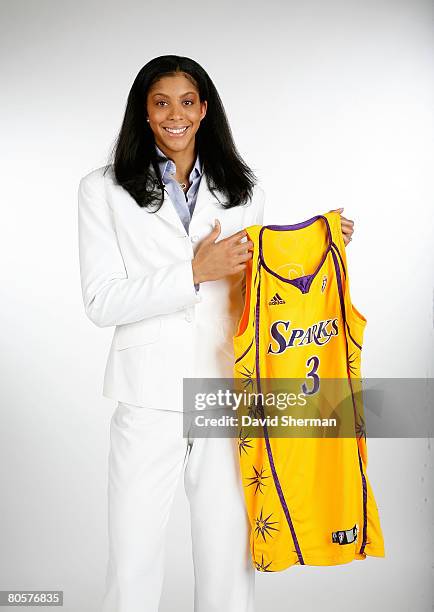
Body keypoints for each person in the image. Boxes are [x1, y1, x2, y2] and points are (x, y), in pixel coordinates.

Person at [77, 55, 354, 612]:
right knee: (133, 558)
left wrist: (318, 245)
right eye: (160, 103)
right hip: (146, 392)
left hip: (225, 390)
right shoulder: (102, 190)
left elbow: (263, 278)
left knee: (228, 557)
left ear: (204, 110)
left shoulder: (241, 189)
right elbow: (101, 301)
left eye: (186, 102)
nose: (174, 115)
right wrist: (193, 273)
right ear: (144, 112)